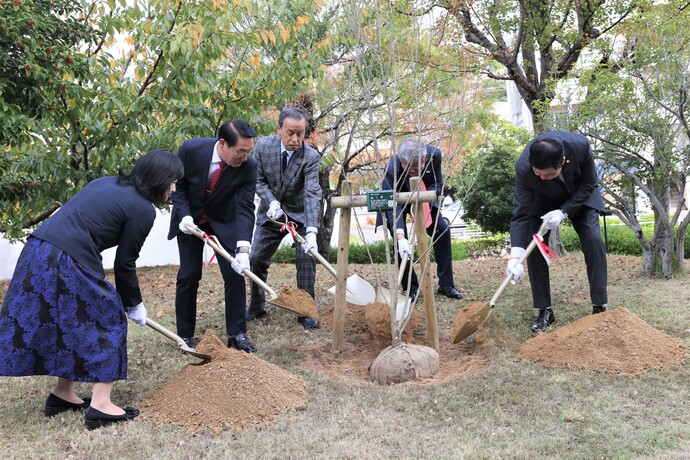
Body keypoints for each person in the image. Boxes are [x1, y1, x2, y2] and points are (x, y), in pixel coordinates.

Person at [0, 149, 184, 430]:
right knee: (108, 316)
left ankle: (62, 394)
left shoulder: (106, 182)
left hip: (38, 250)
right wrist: (132, 304)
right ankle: (101, 407)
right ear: (160, 178)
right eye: (173, 181)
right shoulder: (143, 211)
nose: (174, 188)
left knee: (67, 322)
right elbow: (125, 263)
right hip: (65, 258)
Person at [168, 120, 259, 353]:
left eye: (249, 151)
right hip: (190, 220)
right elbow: (178, 185)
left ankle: (237, 334)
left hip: (223, 222)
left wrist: (243, 248)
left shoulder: (248, 167)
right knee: (189, 275)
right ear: (222, 144)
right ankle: (185, 336)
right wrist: (185, 216)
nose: (245, 156)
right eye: (241, 151)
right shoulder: (190, 149)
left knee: (235, 273)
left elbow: (246, 207)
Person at [507, 130, 608, 333]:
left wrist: (563, 211)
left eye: (549, 174)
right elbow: (521, 213)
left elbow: (589, 183)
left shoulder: (580, 146)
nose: (543, 178)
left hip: (580, 196)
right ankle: (545, 310)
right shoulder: (523, 168)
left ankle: (600, 305)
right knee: (534, 246)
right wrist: (515, 255)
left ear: (562, 161)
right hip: (541, 202)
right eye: (539, 173)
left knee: (593, 239)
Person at [246, 107, 321, 329]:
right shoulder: (262, 147)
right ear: (279, 129)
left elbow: (312, 192)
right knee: (256, 258)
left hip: (300, 214)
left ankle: (306, 310)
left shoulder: (311, 157)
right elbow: (258, 181)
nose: (296, 139)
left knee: (306, 259)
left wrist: (312, 231)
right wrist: (272, 202)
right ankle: (257, 306)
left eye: (301, 133)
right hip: (271, 213)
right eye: (290, 133)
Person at [377, 138, 464, 301]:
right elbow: (391, 205)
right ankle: (410, 288)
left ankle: (446, 284)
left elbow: (438, 185)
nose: (412, 171)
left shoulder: (435, 155)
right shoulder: (391, 168)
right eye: (407, 167)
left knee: (442, 230)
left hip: (425, 197)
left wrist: (422, 198)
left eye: (417, 168)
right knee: (400, 244)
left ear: (425, 159)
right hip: (397, 203)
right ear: (401, 160)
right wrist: (401, 236)